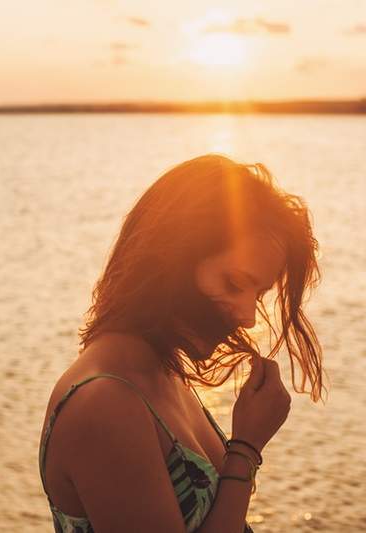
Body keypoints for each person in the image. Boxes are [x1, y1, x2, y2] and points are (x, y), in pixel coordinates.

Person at [38, 154, 325, 532]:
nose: (248, 316)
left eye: (257, 295)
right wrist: (245, 450)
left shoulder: (162, 374)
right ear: (171, 257)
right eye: (234, 284)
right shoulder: (105, 405)